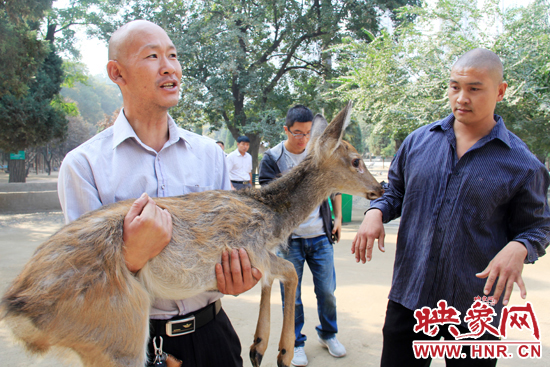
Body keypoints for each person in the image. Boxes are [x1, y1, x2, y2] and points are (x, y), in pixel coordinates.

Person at [57, 20, 261, 367]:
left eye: (173, 55)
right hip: (133, 344)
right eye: (152, 56)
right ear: (117, 73)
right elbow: (82, 288)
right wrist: (132, 257)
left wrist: (239, 274)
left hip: (214, 337)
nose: (169, 66)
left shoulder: (209, 155)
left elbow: (229, 247)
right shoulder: (84, 165)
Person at [352, 48, 550, 367]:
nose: (461, 98)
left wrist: (520, 247)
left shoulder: (522, 164)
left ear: (500, 91)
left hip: (476, 310)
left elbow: (538, 226)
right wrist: (376, 211)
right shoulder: (418, 143)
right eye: (455, 86)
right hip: (410, 299)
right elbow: (396, 193)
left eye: (474, 88)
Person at [259, 105, 345, 367]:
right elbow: (269, 199)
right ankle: (295, 343)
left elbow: (334, 186)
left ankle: (328, 333)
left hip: (320, 236)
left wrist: (338, 218)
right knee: (291, 297)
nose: (304, 139)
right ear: (286, 129)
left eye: (308, 133)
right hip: (290, 240)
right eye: (297, 133)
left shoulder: (318, 152)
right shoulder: (272, 158)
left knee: (327, 291)